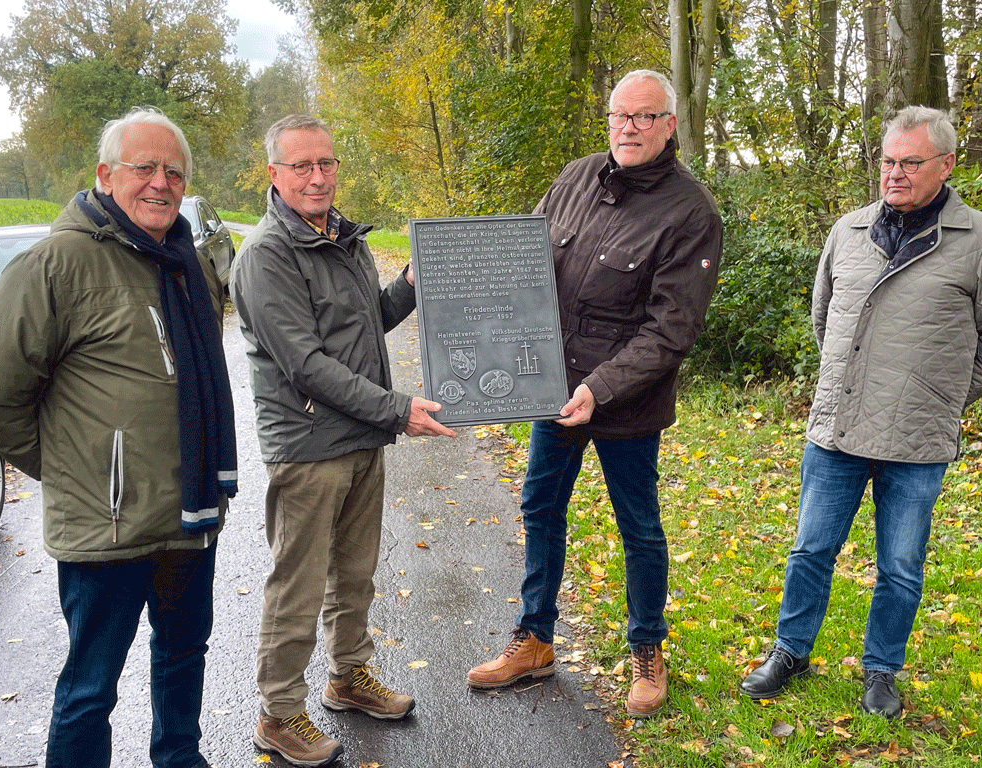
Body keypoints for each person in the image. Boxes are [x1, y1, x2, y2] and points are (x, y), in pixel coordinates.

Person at [0, 107, 237, 768]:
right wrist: (78, 467)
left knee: (183, 658)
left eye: (174, 172)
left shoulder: (186, 263)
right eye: (144, 167)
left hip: (190, 512)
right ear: (105, 174)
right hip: (106, 525)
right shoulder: (55, 263)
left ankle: (180, 760)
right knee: (90, 689)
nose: (160, 183)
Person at [466, 70, 723, 719]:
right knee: (540, 506)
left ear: (669, 126)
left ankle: (646, 648)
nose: (628, 128)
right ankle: (535, 638)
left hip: (625, 403)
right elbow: (519, 262)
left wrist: (600, 387)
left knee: (638, 527)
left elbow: (672, 328)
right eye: (619, 116)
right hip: (554, 391)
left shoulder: (692, 213)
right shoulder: (577, 178)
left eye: (643, 117)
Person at [739, 106, 982, 718]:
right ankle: (790, 651)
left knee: (900, 565)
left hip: (919, 437)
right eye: (888, 161)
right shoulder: (848, 231)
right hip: (837, 429)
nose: (895, 174)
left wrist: (943, 395)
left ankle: (882, 669)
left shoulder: (975, 242)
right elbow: (826, 320)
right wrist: (850, 381)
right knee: (809, 551)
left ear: (947, 166)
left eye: (911, 162)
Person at [231, 114, 456, 767]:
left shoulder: (345, 237)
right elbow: (306, 364)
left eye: (325, 163)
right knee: (297, 585)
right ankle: (277, 713)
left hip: (361, 437)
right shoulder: (267, 256)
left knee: (354, 574)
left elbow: (367, 322)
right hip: (307, 444)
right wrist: (398, 410)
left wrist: (409, 286)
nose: (318, 176)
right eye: (301, 165)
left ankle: (347, 677)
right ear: (274, 174)